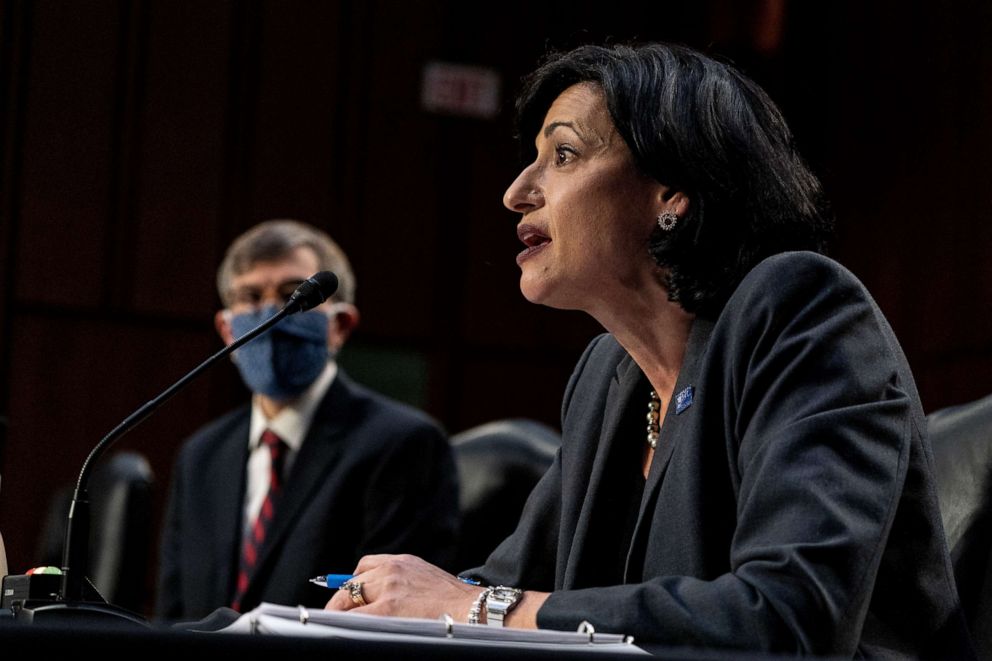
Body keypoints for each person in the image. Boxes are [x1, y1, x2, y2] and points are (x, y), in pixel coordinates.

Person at [324, 44, 975, 658]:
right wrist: (377, 608)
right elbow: (504, 583)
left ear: (673, 191)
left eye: (565, 155)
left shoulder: (800, 310)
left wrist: (474, 606)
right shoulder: (608, 375)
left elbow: (788, 617)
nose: (517, 191)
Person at [156, 219, 459, 621]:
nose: (271, 315)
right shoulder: (201, 455)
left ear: (340, 325)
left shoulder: (405, 444)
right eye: (250, 296)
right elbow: (172, 616)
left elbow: (397, 614)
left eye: (292, 295)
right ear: (227, 331)